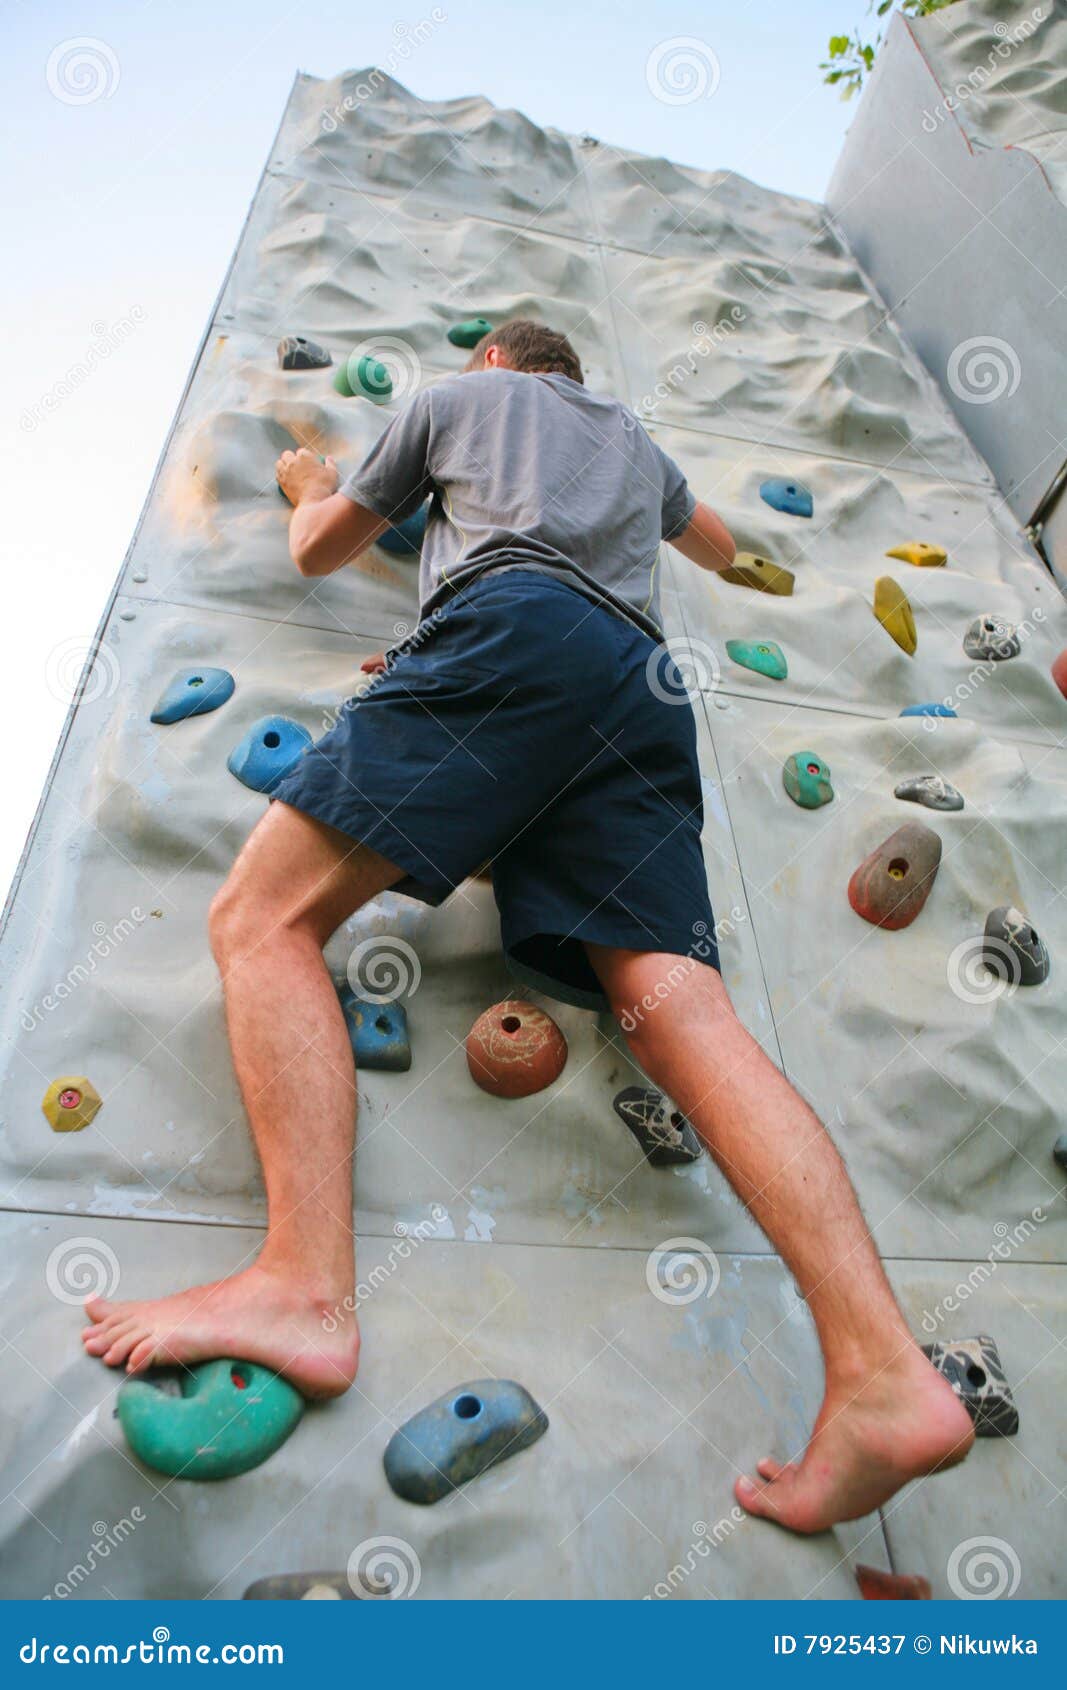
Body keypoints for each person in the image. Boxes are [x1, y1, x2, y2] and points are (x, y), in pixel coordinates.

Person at [82, 320, 973, 1532]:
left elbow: (314, 551)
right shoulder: (635, 447)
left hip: (511, 633)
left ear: (498, 362)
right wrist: (746, 558)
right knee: (680, 1019)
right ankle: (881, 1372)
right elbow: (714, 545)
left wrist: (309, 482)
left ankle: (302, 1283)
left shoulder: (456, 398)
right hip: (640, 691)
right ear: (573, 378)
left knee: (261, 919)